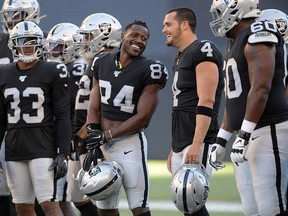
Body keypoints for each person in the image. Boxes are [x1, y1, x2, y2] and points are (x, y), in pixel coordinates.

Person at [209, 0, 288, 215]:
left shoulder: (259, 31)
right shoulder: (235, 41)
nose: (217, 18)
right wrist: (222, 138)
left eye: (219, 12)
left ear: (235, 9)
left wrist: (243, 134)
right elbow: (236, 98)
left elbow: (261, 88)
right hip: (251, 131)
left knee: (272, 207)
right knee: (253, 208)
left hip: (267, 128)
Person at [84, 20, 168, 216]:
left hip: (129, 144)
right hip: (104, 142)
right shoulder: (101, 61)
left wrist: (108, 135)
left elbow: (143, 117)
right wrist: (94, 136)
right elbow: (94, 105)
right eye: (135, 35)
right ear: (122, 36)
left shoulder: (151, 68)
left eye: (144, 38)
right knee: (104, 206)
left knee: (138, 205)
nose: (139, 40)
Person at [0, 21, 71, 216]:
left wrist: (63, 151)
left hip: (43, 146)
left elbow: (63, 114)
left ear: (40, 44)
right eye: (23, 41)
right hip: (14, 148)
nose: (28, 46)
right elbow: (0, 119)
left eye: (32, 41)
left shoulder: (53, 70)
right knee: (22, 207)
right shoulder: (3, 72)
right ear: (14, 44)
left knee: (49, 204)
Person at [162, 7, 223, 216]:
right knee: (186, 206)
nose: (164, 30)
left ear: (184, 24)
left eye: (168, 24)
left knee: (192, 203)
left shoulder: (203, 49)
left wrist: (197, 144)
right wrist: (175, 146)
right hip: (182, 140)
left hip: (197, 139)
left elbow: (207, 99)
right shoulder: (180, 56)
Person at [67, 13, 122, 216]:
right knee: (76, 196)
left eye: (89, 36)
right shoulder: (93, 62)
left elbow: (103, 108)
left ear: (104, 35)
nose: (85, 41)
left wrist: (82, 134)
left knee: (102, 197)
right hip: (79, 136)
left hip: (93, 138)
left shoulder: (110, 63)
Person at [0, 0, 45, 215]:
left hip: (31, 126)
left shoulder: (39, 45)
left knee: (37, 194)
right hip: (5, 123)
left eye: (18, 14)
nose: (12, 19)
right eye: (9, 14)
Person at [44, 22, 84, 216]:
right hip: (58, 136)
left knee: (59, 198)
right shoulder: (56, 68)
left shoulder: (77, 69)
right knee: (63, 198)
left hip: (71, 138)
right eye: (50, 45)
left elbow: (68, 110)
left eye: (58, 46)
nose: (53, 50)